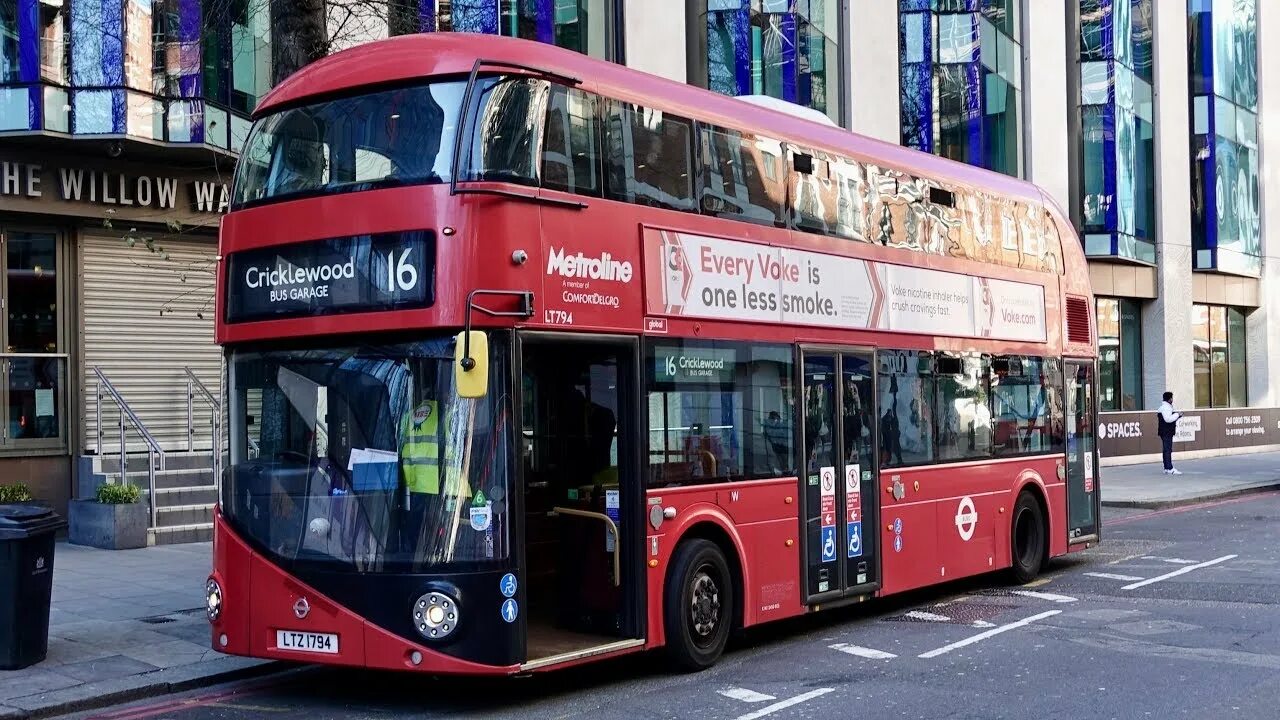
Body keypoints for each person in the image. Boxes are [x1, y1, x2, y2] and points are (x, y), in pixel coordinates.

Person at [1157, 391, 1183, 475]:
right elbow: (1167, 419)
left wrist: (1177, 416)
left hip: (1165, 431)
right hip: (1166, 432)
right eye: (1171, 398)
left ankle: (1167, 468)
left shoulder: (1165, 407)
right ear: (1169, 399)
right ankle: (1170, 468)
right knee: (1167, 450)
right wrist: (1177, 415)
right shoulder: (1166, 408)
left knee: (1166, 450)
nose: (1172, 399)